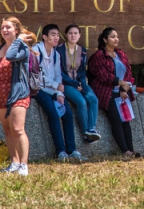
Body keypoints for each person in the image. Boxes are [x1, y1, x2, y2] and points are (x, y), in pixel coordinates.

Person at [34, 24, 82, 162]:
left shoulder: (55, 54)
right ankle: (61, 151)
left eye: (57, 35)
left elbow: (57, 74)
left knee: (67, 114)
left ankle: (72, 150)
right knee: (53, 115)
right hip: (39, 89)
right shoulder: (36, 52)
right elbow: (38, 77)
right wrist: (56, 87)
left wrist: (59, 93)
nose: (56, 38)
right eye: (53, 35)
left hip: (53, 89)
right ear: (44, 37)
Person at [87, 28, 138, 159]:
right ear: (105, 39)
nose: (116, 39)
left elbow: (128, 73)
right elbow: (103, 76)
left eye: (117, 36)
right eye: (112, 37)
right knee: (116, 119)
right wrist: (120, 83)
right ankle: (125, 151)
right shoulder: (98, 56)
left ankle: (131, 151)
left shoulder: (120, 54)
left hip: (121, 92)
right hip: (106, 92)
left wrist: (123, 89)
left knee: (125, 120)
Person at [0, 17, 31, 176]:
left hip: (17, 92)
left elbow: (12, 56)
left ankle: (24, 164)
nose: (5, 30)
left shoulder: (22, 47)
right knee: (7, 130)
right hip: (0, 93)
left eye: (8, 27)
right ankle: (14, 162)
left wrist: (18, 40)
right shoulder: (0, 48)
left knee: (18, 129)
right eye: (2, 28)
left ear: (16, 29)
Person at [57, 24, 100, 143]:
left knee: (93, 99)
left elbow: (82, 70)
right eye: (70, 33)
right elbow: (59, 71)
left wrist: (81, 83)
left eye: (76, 33)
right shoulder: (59, 49)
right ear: (66, 35)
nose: (73, 35)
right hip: (66, 83)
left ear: (80, 35)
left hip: (79, 82)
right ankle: (85, 132)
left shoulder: (82, 50)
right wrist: (74, 83)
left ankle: (92, 129)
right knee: (81, 102)